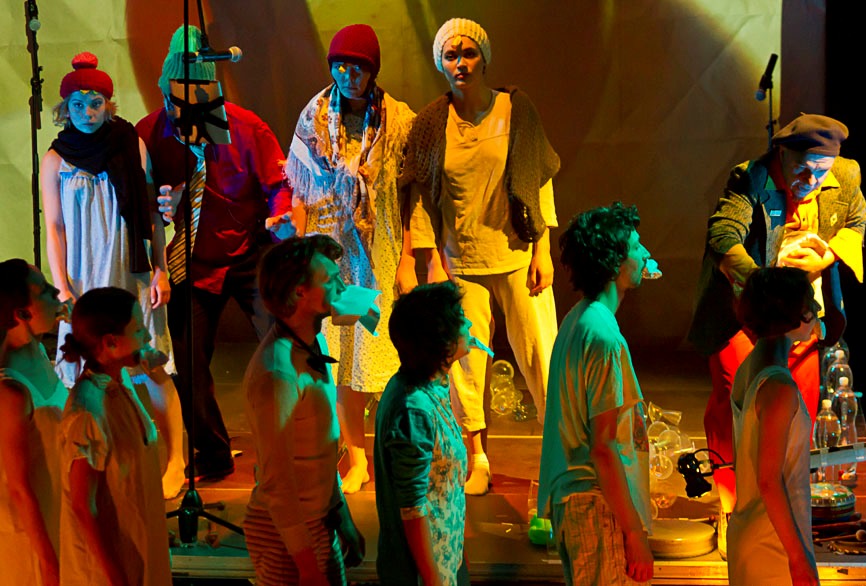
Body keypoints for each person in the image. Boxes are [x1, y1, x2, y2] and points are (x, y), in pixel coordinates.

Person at [687, 113, 866, 551]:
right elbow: (722, 236)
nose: (812, 180)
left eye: (821, 170)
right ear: (782, 153)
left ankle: (784, 505)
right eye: (803, 169)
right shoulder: (751, 177)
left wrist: (827, 256)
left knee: (798, 407)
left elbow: (857, 221)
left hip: (801, 316)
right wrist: (764, 285)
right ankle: (732, 507)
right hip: (746, 309)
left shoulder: (846, 175)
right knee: (737, 404)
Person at [402, 17, 560, 495]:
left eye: (469, 53)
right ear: (440, 63)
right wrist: (429, 260)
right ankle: (479, 459)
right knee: (466, 367)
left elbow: (539, 179)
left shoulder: (516, 109)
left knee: (543, 357)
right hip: (462, 261)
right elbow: (421, 196)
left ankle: (560, 454)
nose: (461, 63)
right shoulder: (432, 123)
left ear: (484, 58)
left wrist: (543, 248)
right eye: (451, 55)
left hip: (517, 254)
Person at [136, 25, 294, 480]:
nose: (183, 108)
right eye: (174, 98)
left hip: (249, 250)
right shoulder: (151, 132)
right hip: (193, 256)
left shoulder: (245, 127)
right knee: (184, 361)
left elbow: (279, 185)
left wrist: (281, 218)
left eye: (194, 99)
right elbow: (142, 203)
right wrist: (161, 207)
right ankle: (212, 452)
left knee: (283, 349)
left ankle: (288, 447)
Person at [41, 51, 185, 498]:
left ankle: (176, 461)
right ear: (66, 109)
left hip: (130, 270)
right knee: (85, 370)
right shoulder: (56, 159)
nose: (87, 112)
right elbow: (55, 227)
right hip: (85, 276)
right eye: (78, 104)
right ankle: (99, 458)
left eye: (95, 103)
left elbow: (151, 214)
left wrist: (161, 270)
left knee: (150, 366)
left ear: (108, 104)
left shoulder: (129, 143)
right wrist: (62, 286)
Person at [287, 23, 417, 494]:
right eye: (340, 66)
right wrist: (299, 249)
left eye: (358, 67)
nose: (348, 76)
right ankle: (356, 455)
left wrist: (408, 258)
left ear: (372, 70)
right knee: (340, 354)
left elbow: (411, 194)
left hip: (379, 247)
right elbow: (300, 186)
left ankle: (391, 451)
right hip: (330, 247)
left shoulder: (398, 119)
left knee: (382, 350)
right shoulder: (315, 115)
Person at [537, 203, 654, 585]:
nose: (644, 254)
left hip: (579, 504)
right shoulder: (603, 338)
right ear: (615, 263)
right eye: (635, 247)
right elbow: (602, 446)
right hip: (593, 505)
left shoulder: (578, 319)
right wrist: (634, 532)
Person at [242, 235, 365, 585]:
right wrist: (308, 569)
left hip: (317, 522)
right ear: (299, 293)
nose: (343, 287)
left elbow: (321, 452)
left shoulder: (312, 343)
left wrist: (341, 518)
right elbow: (278, 483)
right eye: (330, 280)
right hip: (287, 535)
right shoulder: (277, 373)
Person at [58, 287, 171, 586]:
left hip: (138, 548)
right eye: (138, 329)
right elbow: (83, 506)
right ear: (110, 342)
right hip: (107, 572)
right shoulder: (88, 411)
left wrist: (145, 357)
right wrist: (117, 578)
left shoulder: (119, 382)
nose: (147, 336)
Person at [727, 267, 821, 586]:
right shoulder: (779, 387)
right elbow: (768, 480)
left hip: (750, 530)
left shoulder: (748, 367)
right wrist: (798, 558)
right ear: (791, 312)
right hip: (772, 543)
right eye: (809, 301)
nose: (816, 308)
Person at [374, 281, 472, 586]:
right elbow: (413, 508)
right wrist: (433, 580)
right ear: (439, 341)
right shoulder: (413, 409)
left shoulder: (433, 385)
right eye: (460, 320)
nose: (469, 324)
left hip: (446, 559)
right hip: (422, 574)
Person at [0, 259, 68, 585]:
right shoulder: (8, 389)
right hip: (28, 537)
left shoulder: (38, 351)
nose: (56, 294)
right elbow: (19, 487)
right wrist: (49, 563)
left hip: (59, 511)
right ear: (20, 313)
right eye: (43, 290)